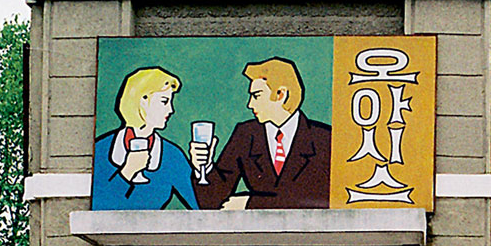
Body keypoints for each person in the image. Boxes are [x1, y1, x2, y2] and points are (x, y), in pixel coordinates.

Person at [188, 57, 332, 209]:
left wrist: (251, 203)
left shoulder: (324, 139)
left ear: (281, 94)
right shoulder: (246, 134)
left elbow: (323, 202)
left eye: (256, 96)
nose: (250, 104)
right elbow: (213, 202)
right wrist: (204, 167)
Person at [92, 67, 197, 210]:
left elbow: (200, 206)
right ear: (143, 100)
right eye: (164, 101)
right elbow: (97, 207)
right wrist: (127, 172)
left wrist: (201, 167)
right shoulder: (102, 150)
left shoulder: (172, 155)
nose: (171, 110)